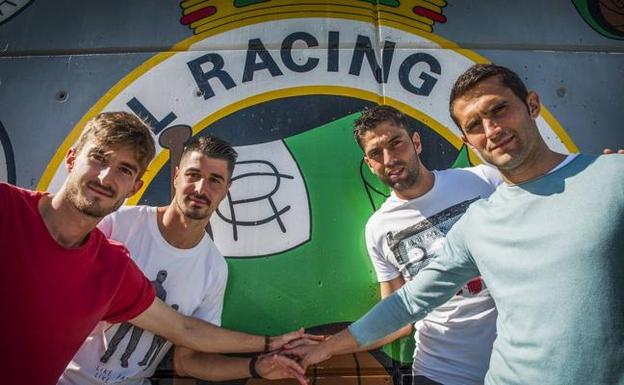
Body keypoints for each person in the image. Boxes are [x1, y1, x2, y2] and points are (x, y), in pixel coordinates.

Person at [288, 64, 624, 385]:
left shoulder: (611, 176)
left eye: (499, 109)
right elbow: (407, 303)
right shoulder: (477, 220)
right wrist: (323, 348)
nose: (492, 131)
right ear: (466, 140)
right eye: (475, 125)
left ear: (532, 105)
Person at [0, 112, 305, 385]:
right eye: (99, 158)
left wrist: (264, 354)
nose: (106, 177)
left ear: (135, 185)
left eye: (124, 169)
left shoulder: (113, 266)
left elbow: (185, 333)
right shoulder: (112, 228)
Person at [353, 105, 500, 385]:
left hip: (517, 364)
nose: (389, 158)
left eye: (396, 143)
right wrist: (323, 347)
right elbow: (396, 316)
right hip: (438, 373)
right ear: (370, 164)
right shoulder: (378, 228)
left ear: (416, 142)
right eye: (376, 154)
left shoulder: (484, 180)